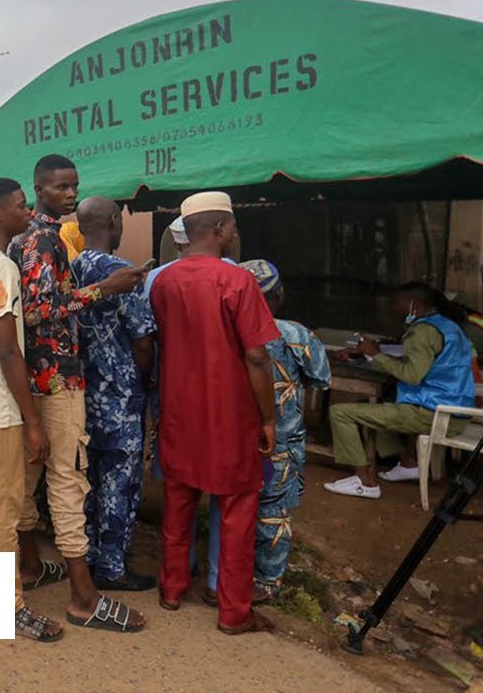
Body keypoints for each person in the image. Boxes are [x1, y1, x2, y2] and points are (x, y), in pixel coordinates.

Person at [9, 155, 147, 630]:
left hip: (34, 376)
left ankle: (30, 565)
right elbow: (37, 310)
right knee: (69, 479)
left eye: (74, 187)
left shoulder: (21, 239)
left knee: (33, 480)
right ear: (39, 188)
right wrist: (103, 289)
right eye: (61, 187)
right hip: (56, 377)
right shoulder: (45, 238)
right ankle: (83, 599)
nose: (69, 194)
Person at [151, 191, 278, 635]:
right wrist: (268, 418)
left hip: (180, 410)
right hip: (230, 414)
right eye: (233, 226)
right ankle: (233, 612)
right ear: (221, 230)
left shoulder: (164, 282)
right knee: (237, 511)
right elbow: (257, 357)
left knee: (179, 502)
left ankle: (171, 589)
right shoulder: (238, 282)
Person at [0, 178, 70, 641]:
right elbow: (8, 351)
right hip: (2, 406)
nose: (28, 213)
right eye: (22, 206)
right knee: (4, 507)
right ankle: (10, 607)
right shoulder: (0, 269)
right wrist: (32, 421)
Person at [71, 197, 157, 591]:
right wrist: (143, 380)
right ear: (110, 221)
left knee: (87, 478)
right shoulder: (123, 273)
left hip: (82, 395)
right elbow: (142, 340)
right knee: (120, 481)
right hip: (120, 397)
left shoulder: (71, 270)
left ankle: (86, 556)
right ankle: (112, 568)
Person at [325, 282, 474, 498]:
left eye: (396, 303)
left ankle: (365, 481)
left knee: (340, 413)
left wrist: (375, 354)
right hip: (455, 410)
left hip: (433, 412)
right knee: (376, 408)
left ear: (415, 305)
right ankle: (408, 464)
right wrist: (375, 351)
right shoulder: (445, 324)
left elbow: (412, 375)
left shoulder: (422, 332)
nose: (391, 308)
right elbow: (424, 362)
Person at [238, 260, 331, 600]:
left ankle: (227, 572)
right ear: (278, 294)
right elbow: (321, 378)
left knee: (233, 507)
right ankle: (267, 583)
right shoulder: (296, 335)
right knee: (273, 511)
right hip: (282, 437)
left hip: (235, 434)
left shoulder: (229, 329)